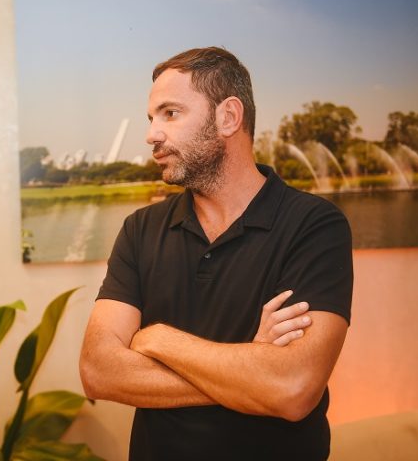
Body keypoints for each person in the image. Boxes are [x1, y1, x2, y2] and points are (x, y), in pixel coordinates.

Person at [79, 47, 352, 460]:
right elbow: (98, 371)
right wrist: (252, 370)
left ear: (228, 117)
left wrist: (157, 339)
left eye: (170, 113)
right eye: (151, 118)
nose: (152, 134)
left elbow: (293, 388)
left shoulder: (314, 225)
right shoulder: (140, 229)